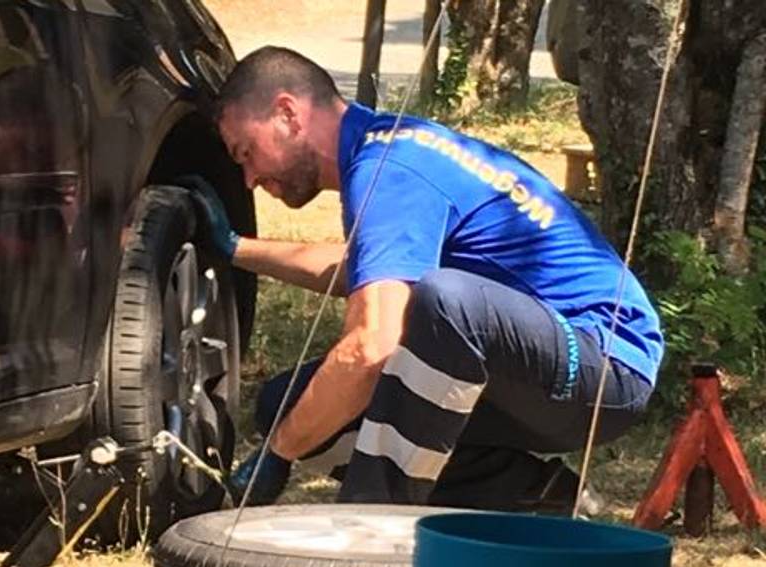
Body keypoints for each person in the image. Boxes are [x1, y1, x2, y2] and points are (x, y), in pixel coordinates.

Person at [184, 47, 663, 514]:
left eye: (246, 152)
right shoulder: (384, 150)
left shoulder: (390, 169)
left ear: (288, 114)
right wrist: (235, 248)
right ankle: (536, 494)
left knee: (444, 303)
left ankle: (371, 519)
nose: (247, 178)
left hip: (603, 365)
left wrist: (279, 452)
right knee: (284, 404)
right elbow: (366, 270)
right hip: (521, 360)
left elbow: (373, 345)